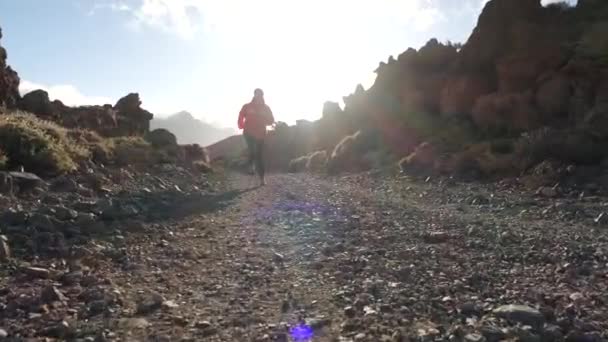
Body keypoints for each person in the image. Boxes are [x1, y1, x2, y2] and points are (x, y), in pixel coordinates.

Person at [238, 88, 275, 186]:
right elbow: (241, 115)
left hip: (260, 134)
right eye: (257, 94)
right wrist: (241, 125)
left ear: (262, 96)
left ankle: (262, 179)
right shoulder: (247, 106)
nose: (258, 96)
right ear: (254, 95)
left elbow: (271, 120)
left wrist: (264, 120)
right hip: (248, 132)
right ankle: (250, 166)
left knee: (259, 155)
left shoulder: (266, 108)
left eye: (260, 95)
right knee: (252, 150)